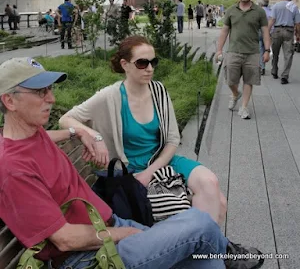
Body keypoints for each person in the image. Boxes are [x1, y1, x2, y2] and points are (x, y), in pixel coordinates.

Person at [0, 57, 265, 269]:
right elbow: (65, 240)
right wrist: (124, 233)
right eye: (39, 92)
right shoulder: (13, 169)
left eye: (50, 89)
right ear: (9, 100)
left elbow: (46, 135)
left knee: (208, 262)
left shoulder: (31, 134)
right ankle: (229, 252)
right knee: (199, 224)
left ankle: (223, 256)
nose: (52, 99)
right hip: (90, 257)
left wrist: (79, 131)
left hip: (111, 226)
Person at [60, 35, 227, 225]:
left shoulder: (159, 91)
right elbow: (65, 119)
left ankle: (207, 247)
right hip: (132, 171)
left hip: (163, 161)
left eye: (153, 62)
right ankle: (207, 248)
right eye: (142, 63)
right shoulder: (110, 96)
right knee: (217, 204)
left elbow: (172, 139)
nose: (150, 69)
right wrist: (94, 135)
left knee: (211, 184)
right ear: (125, 64)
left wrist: (151, 172)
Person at [215, 0, 271, 120]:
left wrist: (267, 50)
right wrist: (219, 50)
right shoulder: (231, 10)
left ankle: (244, 107)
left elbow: (265, 31)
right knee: (230, 80)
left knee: (249, 80)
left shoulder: (259, 11)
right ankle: (235, 94)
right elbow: (224, 31)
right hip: (234, 51)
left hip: (252, 52)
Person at [268, 0, 300, 84]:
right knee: (288, 55)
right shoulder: (294, 7)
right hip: (289, 32)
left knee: (275, 52)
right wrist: (298, 35)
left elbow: (272, 20)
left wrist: (267, 31)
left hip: (277, 31)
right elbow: (298, 24)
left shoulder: (276, 6)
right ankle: (284, 76)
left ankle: (274, 71)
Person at [259, 0, 273, 75]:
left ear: (261, 4)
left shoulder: (260, 11)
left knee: (260, 49)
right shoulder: (271, 11)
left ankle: (262, 67)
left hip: (260, 32)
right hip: (269, 32)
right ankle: (263, 66)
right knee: (266, 49)